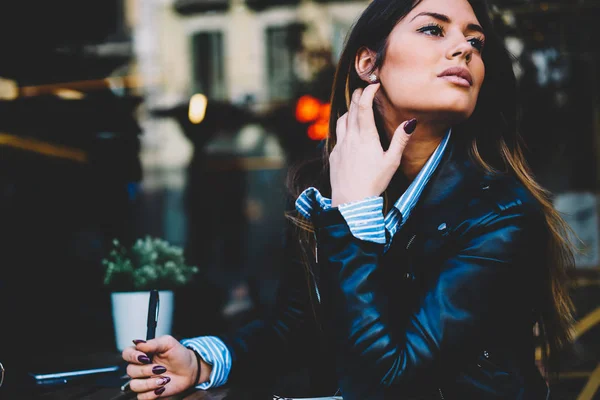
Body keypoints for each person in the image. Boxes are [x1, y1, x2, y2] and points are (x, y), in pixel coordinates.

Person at [121, 0, 577, 398]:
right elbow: (297, 328)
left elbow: (388, 383)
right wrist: (202, 362)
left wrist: (355, 214)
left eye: (475, 41)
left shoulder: (499, 212)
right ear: (368, 63)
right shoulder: (320, 186)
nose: (464, 48)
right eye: (433, 29)